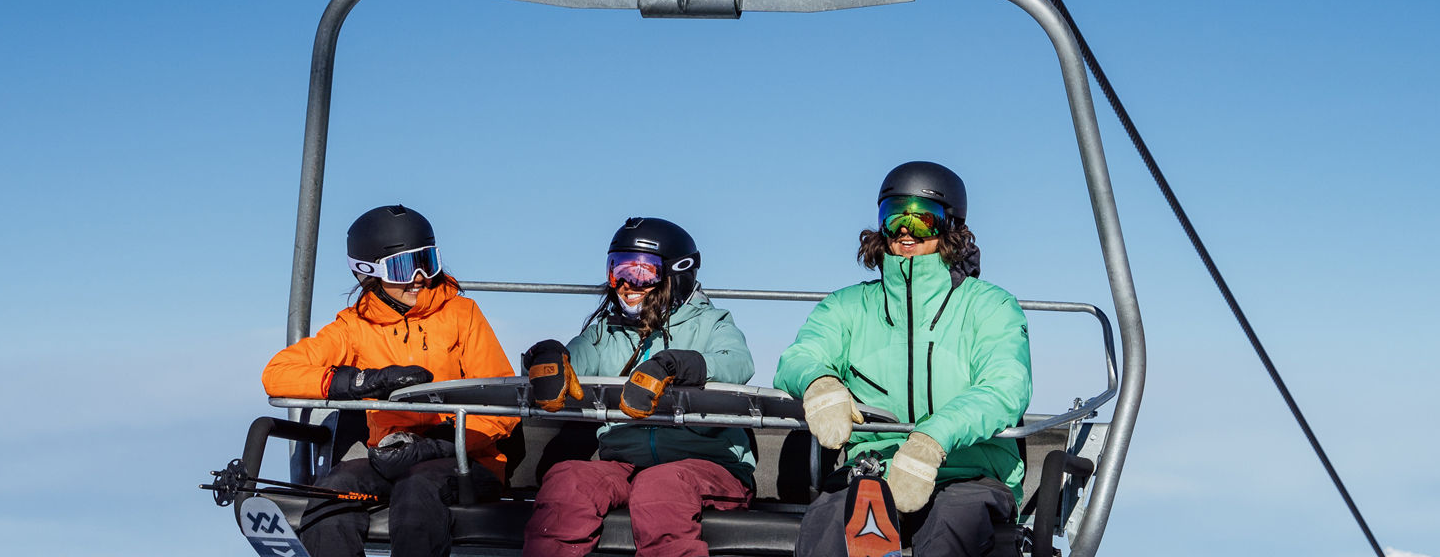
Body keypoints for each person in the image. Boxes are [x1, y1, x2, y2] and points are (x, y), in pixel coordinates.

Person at [777, 161, 1031, 557]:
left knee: (951, 525)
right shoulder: (849, 306)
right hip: (872, 470)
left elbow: (1005, 386)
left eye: (923, 220)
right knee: (828, 526)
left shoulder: (989, 306)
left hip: (967, 473)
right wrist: (818, 383)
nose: (906, 231)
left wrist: (932, 441)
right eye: (893, 218)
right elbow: (801, 355)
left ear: (951, 226)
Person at [262, 204, 519, 557]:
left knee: (417, 492)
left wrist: (443, 442)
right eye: (402, 268)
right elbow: (278, 373)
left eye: (427, 262)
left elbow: (502, 399)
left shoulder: (461, 314)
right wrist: (363, 382)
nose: (418, 277)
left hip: (465, 459)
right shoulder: (354, 328)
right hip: (389, 457)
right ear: (368, 272)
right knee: (332, 496)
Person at [521, 217, 758, 557]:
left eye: (641, 272)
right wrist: (549, 356)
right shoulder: (606, 331)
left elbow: (736, 362)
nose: (626, 284)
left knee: (660, 486)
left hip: (706, 463)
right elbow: (576, 359)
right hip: (625, 462)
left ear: (675, 275)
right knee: (568, 479)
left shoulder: (711, 322)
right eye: (616, 269)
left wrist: (677, 364)